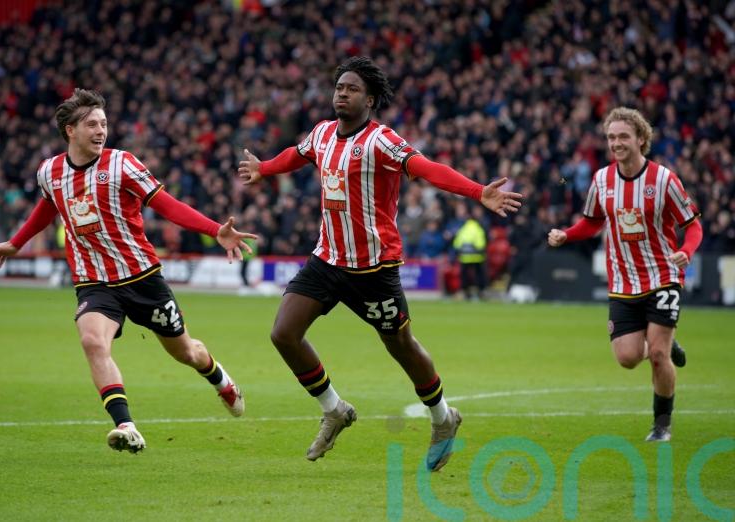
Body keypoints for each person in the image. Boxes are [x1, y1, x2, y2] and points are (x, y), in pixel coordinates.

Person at [238, 56, 523, 471]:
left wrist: (478, 192)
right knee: (284, 333)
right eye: (339, 87)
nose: (342, 93)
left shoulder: (381, 141)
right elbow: (296, 155)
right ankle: (334, 409)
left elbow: (427, 169)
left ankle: (444, 417)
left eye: (352, 89)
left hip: (373, 269)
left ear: (369, 100)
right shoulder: (321, 134)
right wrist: (264, 168)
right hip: (327, 260)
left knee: (400, 345)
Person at [0, 89, 256, 453]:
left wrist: (213, 230)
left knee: (186, 352)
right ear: (70, 130)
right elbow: (48, 208)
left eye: (104, 124)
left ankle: (220, 379)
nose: (101, 130)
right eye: (92, 124)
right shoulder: (49, 172)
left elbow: (167, 205)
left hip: (142, 278)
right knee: (93, 341)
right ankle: (126, 426)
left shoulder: (122, 164)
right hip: (94, 281)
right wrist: (16, 243)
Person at [547, 107, 702, 442]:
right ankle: (668, 342)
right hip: (622, 282)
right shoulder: (602, 179)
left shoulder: (663, 179)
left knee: (658, 356)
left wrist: (685, 252)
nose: (616, 143)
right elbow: (592, 221)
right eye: (611, 137)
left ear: (641, 139)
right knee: (628, 358)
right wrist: (566, 234)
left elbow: (693, 226)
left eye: (623, 137)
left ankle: (662, 425)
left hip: (663, 276)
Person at [453, 204, 488, 300]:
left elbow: (457, 243)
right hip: (477, 257)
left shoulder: (463, 229)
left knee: (464, 276)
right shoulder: (478, 229)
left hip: (465, 257)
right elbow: (481, 244)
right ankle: (480, 292)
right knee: (478, 275)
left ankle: (464, 292)